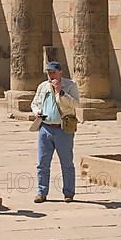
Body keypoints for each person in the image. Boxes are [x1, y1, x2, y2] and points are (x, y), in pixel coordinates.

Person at [30, 61, 80, 203]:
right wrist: (37, 112)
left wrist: (61, 92)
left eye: (53, 72)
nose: (50, 75)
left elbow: (76, 104)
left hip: (63, 129)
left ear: (60, 72)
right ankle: (41, 192)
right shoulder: (43, 86)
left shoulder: (70, 85)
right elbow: (35, 103)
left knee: (67, 163)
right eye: (48, 72)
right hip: (45, 128)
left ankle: (69, 193)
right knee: (42, 163)